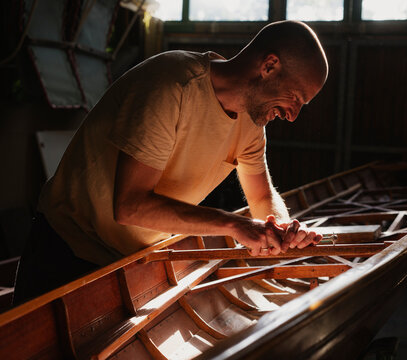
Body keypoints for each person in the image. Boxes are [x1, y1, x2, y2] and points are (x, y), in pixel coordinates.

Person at [13, 20, 329, 304]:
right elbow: (130, 206)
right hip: (67, 247)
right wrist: (234, 223)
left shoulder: (252, 125)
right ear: (269, 66)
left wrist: (279, 228)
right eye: (296, 98)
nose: (292, 115)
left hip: (132, 260)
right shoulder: (172, 86)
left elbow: (261, 196)